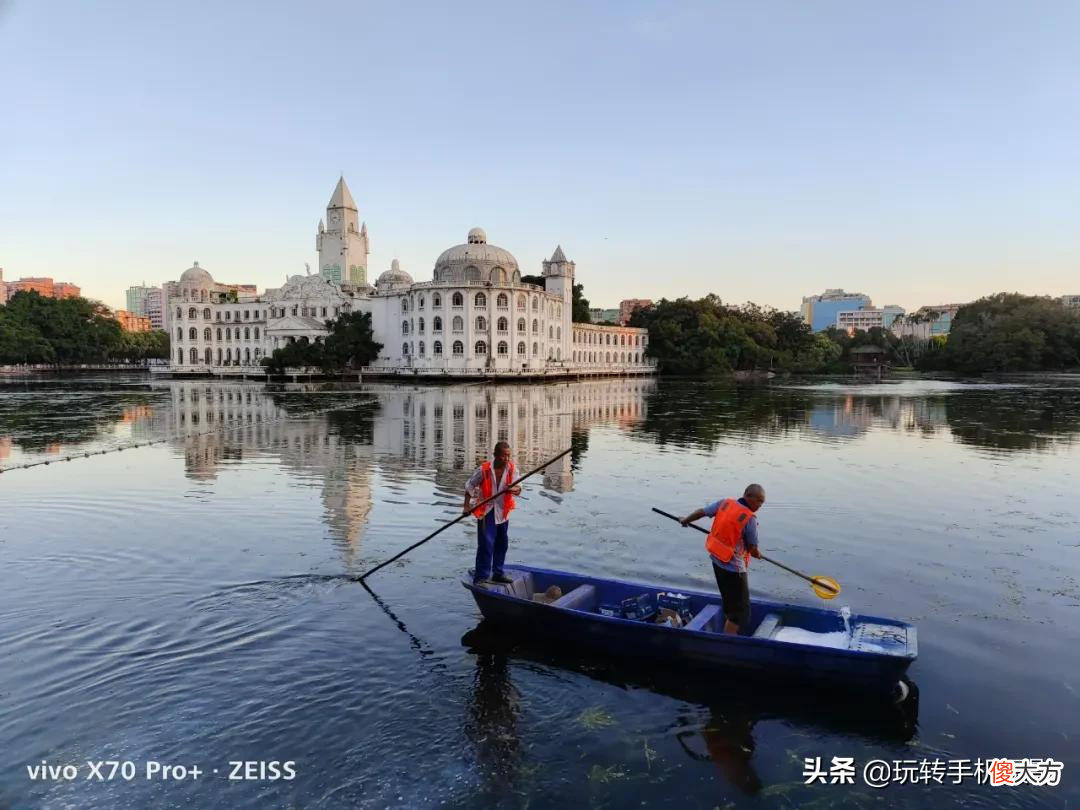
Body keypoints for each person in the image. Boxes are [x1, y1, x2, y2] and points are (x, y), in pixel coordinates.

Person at [680, 484, 765, 635]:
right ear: (747, 495)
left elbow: (702, 512)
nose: (759, 505)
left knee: (730, 604)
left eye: (762, 502)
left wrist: (686, 520)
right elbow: (752, 549)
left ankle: (727, 634)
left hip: (717, 561)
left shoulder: (725, 503)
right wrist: (757, 553)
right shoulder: (749, 519)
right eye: (758, 500)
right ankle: (727, 642)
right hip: (734, 570)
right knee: (739, 615)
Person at [463, 442, 522, 585]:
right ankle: (481, 577)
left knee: (502, 543)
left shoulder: (512, 469)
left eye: (508, 456)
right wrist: (466, 507)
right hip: (486, 510)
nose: (507, 459)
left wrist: (512, 489)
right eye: (503, 456)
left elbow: (519, 488)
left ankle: (498, 572)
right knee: (486, 544)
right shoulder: (484, 470)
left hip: (503, 512)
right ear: (495, 455)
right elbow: (469, 486)